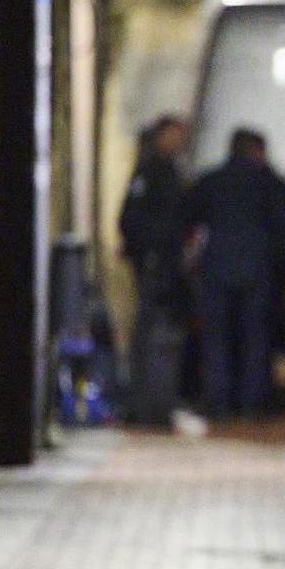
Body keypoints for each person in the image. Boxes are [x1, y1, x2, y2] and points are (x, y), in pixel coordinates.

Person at [186, 129, 285, 418]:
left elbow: (189, 214)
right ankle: (252, 403)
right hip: (257, 272)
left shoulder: (212, 180)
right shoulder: (266, 182)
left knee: (217, 339)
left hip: (218, 270)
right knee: (255, 340)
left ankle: (219, 402)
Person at [119, 115, 190, 425]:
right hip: (153, 266)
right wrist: (148, 253)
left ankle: (158, 403)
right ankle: (145, 405)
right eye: (173, 135)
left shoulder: (172, 171)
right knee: (150, 335)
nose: (178, 141)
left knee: (163, 336)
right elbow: (129, 218)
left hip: (168, 267)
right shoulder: (149, 171)